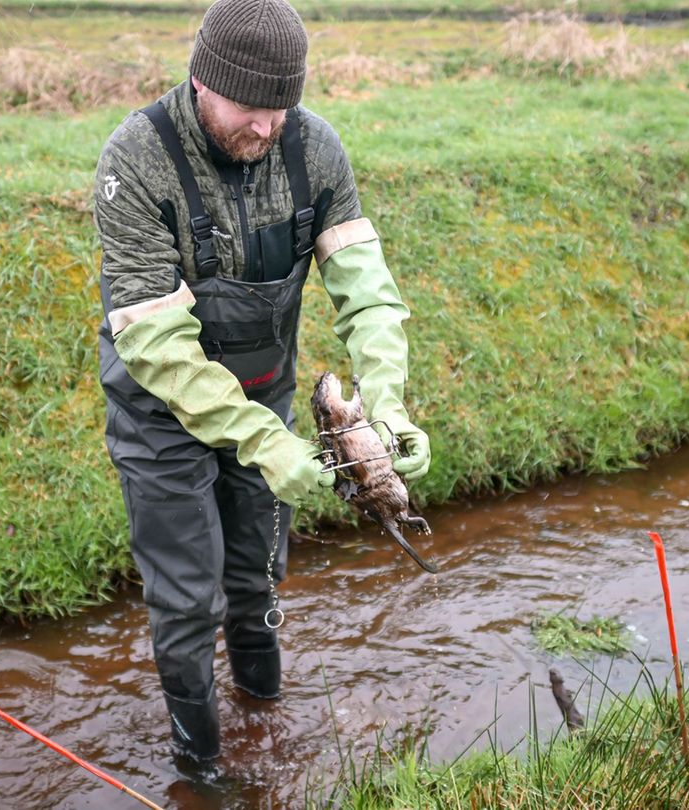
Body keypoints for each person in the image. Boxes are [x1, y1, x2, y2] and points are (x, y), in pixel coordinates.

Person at [91, 0, 430, 764]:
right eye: (252, 108)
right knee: (187, 600)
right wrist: (260, 442)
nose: (268, 128)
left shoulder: (314, 149)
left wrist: (386, 404)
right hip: (160, 418)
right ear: (203, 80)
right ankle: (202, 767)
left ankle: (264, 717)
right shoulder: (137, 159)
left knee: (259, 577)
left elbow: (367, 293)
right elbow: (156, 343)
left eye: (284, 107)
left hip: (268, 395)